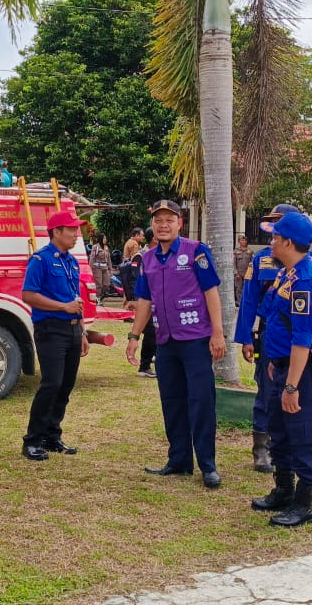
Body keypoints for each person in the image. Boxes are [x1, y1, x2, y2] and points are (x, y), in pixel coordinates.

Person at [126, 200, 226, 488]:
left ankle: (207, 465)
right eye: (158, 220)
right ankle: (179, 460)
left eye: (169, 219)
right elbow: (145, 300)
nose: (163, 224)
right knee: (171, 401)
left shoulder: (196, 252)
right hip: (165, 342)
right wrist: (134, 336)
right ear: (153, 225)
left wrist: (217, 333)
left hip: (195, 340)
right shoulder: (148, 258)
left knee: (201, 402)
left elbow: (211, 292)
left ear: (179, 223)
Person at [233, 204, 312, 474]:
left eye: (280, 225)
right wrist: (246, 338)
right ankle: (262, 449)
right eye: (273, 225)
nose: (273, 232)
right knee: (267, 394)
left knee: (305, 401)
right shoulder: (261, 260)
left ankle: (307, 453)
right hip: (270, 336)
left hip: (301, 341)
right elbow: (250, 300)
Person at [249, 211, 312, 527]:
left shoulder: (305, 283)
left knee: (303, 435)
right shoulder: (288, 274)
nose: (271, 243)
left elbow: (302, 339)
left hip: (301, 373)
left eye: (274, 237)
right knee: (278, 431)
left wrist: (292, 385)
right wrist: (273, 365)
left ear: (287, 242)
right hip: (280, 367)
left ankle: (304, 505)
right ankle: (284, 490)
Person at [20, 210, 90, 461]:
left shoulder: (71, 261)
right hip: (51, 329)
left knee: (65, 385)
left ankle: (52, 435)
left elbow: (76, 299)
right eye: (71, 229)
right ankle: (32, 440)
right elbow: (28, 295)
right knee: (51, 384)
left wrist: (81, 331)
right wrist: (63, 308)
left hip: (72, 329)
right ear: (56, 232)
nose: (76, 234)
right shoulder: (41, 260)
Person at [136, 228, 158, 378]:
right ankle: (144, 365)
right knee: (150, 332)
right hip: (146, 301)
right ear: (154, 239)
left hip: (160, 302)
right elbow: (135, 279)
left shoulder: (162, 255)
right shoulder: (142, 256)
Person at [121, 228, 145, 308]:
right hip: (131, 270)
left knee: (127, 291)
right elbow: (136, 258)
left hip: (126, 269)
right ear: (137, 235)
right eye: (142, 236)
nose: (143, 238)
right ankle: (128, 309)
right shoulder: (134, 244)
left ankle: (125, 309)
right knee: (131, 290)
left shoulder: (129, 242)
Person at [89, 234, 113, 303]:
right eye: (104, 238)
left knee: (107, 284)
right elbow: (92, 258)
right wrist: (90, 269)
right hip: (97, 268)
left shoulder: (106, 247)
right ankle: (98, 298)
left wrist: (110, 269)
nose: (105, 240)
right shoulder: (95, 247)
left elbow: (109, 259)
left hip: (105, 268)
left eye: (105, 238)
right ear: (100, 239)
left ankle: (99, 296)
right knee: (98, 284)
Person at [233, 235, 253, 307]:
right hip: (238, 274)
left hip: (247, 273)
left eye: (245, 240)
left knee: (247, 289)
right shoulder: (236, 251)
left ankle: (245, 302)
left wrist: (250, 273)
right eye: (242, 240)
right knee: (238, 289)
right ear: (239, 241)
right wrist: (236, 273)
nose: (243, 242)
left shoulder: (250, 251)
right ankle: (239, 302)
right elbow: (233, 263)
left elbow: (252, 263)